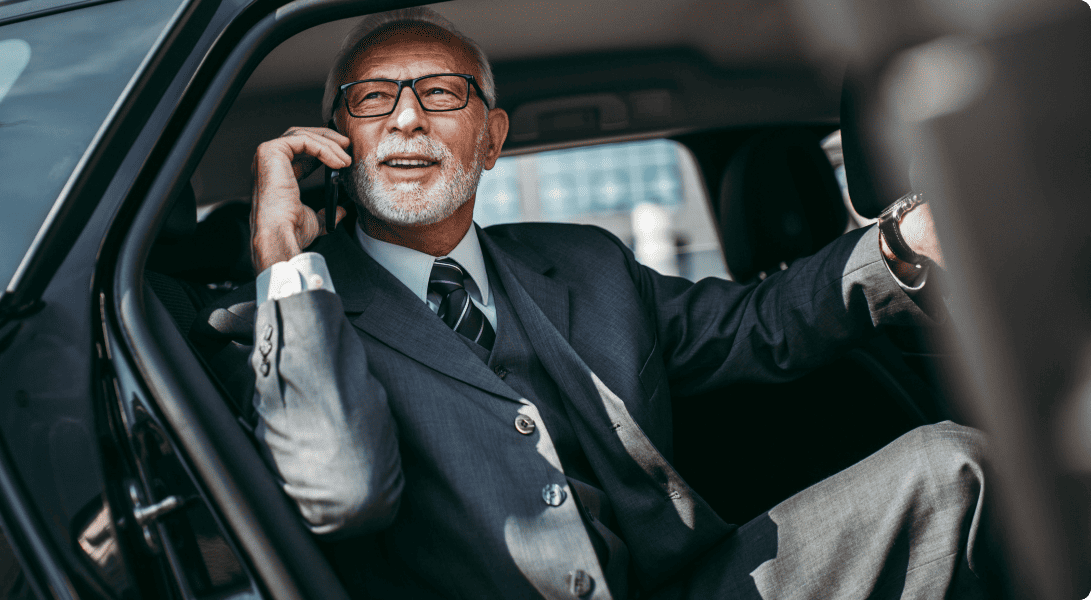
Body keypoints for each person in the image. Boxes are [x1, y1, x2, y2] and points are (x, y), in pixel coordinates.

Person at [244, 8, 990, 599]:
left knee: (955, 464)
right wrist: (286, 261)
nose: (407, 119)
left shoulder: (584, 262)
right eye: (374, 98)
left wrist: (898, 244)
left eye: (442, 93)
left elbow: (754, 326)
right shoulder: (300, 313)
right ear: (338, 137)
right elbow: (343, 493)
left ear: (492, 139)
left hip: (689, 588)